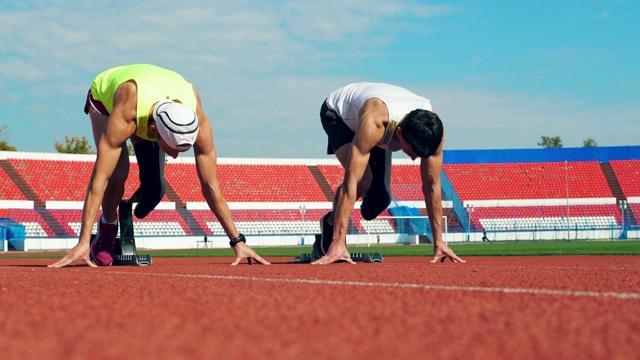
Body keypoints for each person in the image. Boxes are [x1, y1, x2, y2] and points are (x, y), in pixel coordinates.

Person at [49, 64, 269, 267]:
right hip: (106, 100)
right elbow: (100, 178)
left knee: (156, 188)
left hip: (153, 100)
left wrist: (237, 241)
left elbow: (211, 185)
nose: (174, 157)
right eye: (172, 149)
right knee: (117, 172)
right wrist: (83, 240)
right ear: (154, 132)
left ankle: (130, 208)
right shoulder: (127, 116)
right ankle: (108, 224)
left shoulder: (199, 123)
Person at [312, 82, 465, 265]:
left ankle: (334, 225)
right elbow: (350, 182)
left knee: (379, 200)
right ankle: (331, 228)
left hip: (377, 117)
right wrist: (338, 241)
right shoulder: (375, 124)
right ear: (399, 134)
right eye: (413, 152)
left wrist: (439, 241)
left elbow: (432, 186)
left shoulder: (433, 131)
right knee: (363, 179)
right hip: (338, 115)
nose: (415, 159)